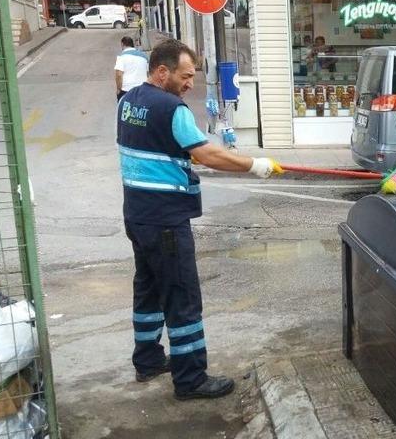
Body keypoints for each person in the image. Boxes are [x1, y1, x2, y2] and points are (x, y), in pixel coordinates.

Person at [117, 39, 283, 400]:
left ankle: (147, 360)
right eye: (186, 76)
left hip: (137, 215)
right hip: (165, 220)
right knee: (182, 296)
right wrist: (255, 165)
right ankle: (190, 378)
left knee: (148, 289)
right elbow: (208, 155)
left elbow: (155, 145)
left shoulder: (128, 102)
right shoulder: (171, 108)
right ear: (163, 72)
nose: (190, 84)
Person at [115, 36, 148, 101]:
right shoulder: (144, 56)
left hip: (127, 90)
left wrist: (118, 89)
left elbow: (119, 75)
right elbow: (148, 74)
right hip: (142, 89)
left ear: (122, 44)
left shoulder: (121, 57)